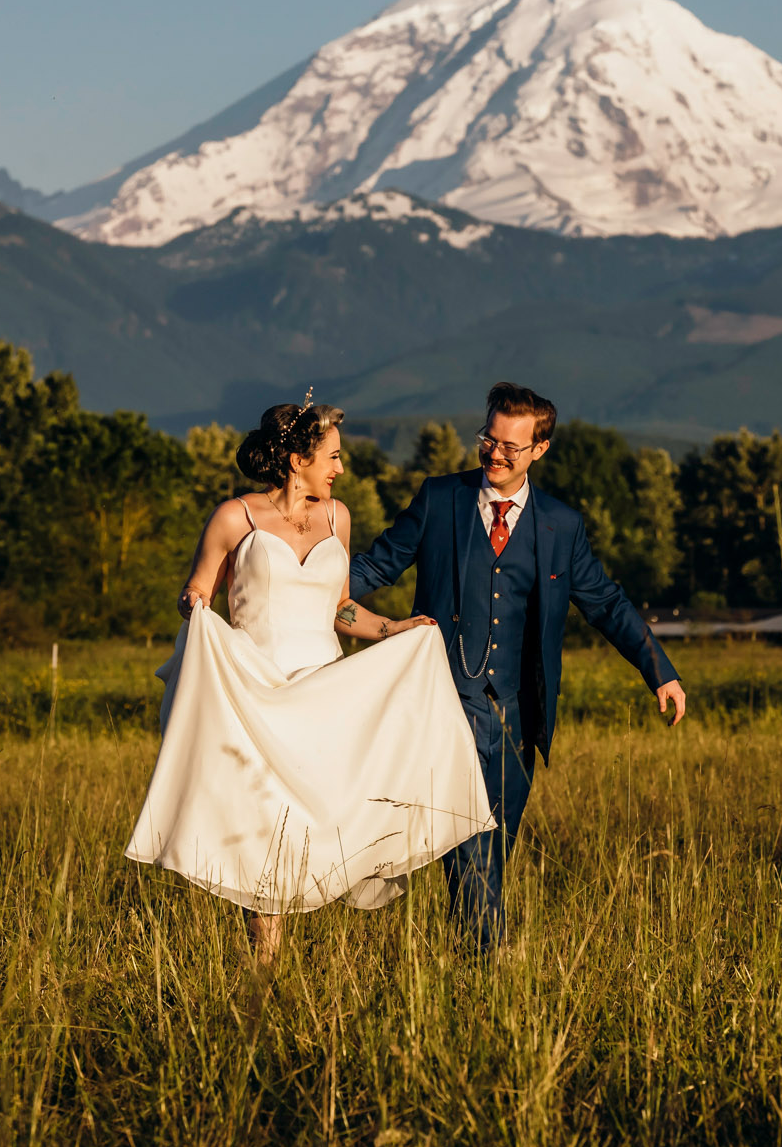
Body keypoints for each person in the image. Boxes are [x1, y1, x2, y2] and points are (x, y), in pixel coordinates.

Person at [124, 399, 493, 969]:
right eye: (333, 456)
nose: (340, 468)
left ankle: (319, 962)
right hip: (256, 691)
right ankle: (263, 970)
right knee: (265, 824)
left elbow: (341, 609)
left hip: (324, 690)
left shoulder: (336, 518)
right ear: (297, 459)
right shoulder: (233, 518)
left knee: (326, 818)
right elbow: (196, 591)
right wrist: (194, 604)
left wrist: (396, 628)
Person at [349, 382, 684, 951]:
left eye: (510, 445)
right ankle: (489, 969)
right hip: (443, 709)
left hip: (517, 719)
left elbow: (605, 603)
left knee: (494, 847)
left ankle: (468, 969)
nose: (495, 453)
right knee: (471, 845)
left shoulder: (561, 526)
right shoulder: (439, 500)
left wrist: (661, 671)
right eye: (489, 439)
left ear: (540, 449)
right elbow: (372, 570)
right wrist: (300, 594)